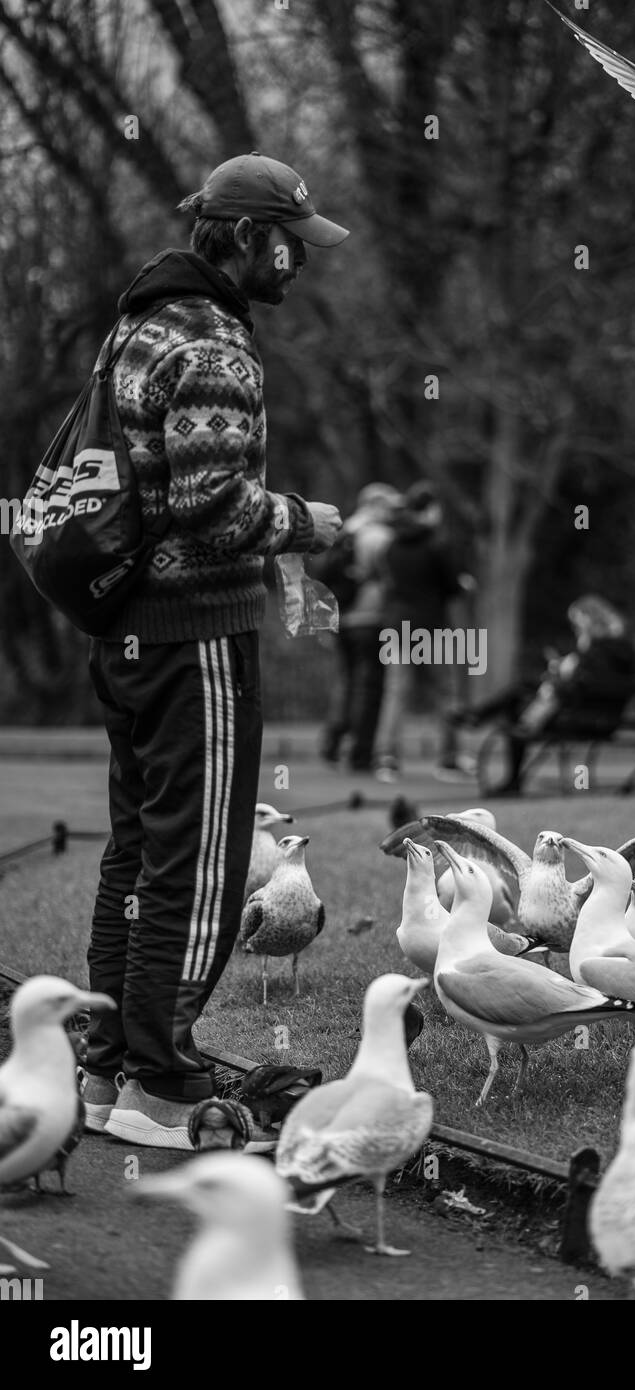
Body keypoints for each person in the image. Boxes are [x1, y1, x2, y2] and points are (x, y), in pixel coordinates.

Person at [80, 153, 347, 1149]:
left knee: (138, 852)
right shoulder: (214, 344)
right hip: (192, 631)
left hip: (125, 628)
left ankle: (103, 1069)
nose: (297, 262)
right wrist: (307, 522)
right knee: (199, 862)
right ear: (240, 238)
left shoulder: (134, 329)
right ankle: (161, 1081)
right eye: (288, 243)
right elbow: (211, 504)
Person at [453, 595, 635, 795]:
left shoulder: (595, 652)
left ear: (587, 620)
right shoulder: (622, 648)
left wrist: (562, 675)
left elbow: (581, 688)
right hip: (604, 719)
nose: (575, 629)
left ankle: (481, 723)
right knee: (521, 693)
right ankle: (481, 720)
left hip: (583, 719)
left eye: (577, 623)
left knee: (517, 708)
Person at [374, 481, 475, 782]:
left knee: (395, 694)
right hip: (431, 627)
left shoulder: (391, 544)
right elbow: (451, 584)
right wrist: (463, 585)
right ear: (430, 510)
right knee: (444, 694)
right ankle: (448, 758)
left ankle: (386, 758)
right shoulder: (436, 543)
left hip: (397, 625)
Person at [317, 482, 402, 770]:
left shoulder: (343, 531)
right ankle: (360, 751)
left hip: (343, 615)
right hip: (371, 616)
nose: (393, 512)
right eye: (389, 507)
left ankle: (333, 740)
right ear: (375, 505)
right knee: (369, 687)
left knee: (346, 681)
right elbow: (392, 578)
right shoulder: (381, 537)